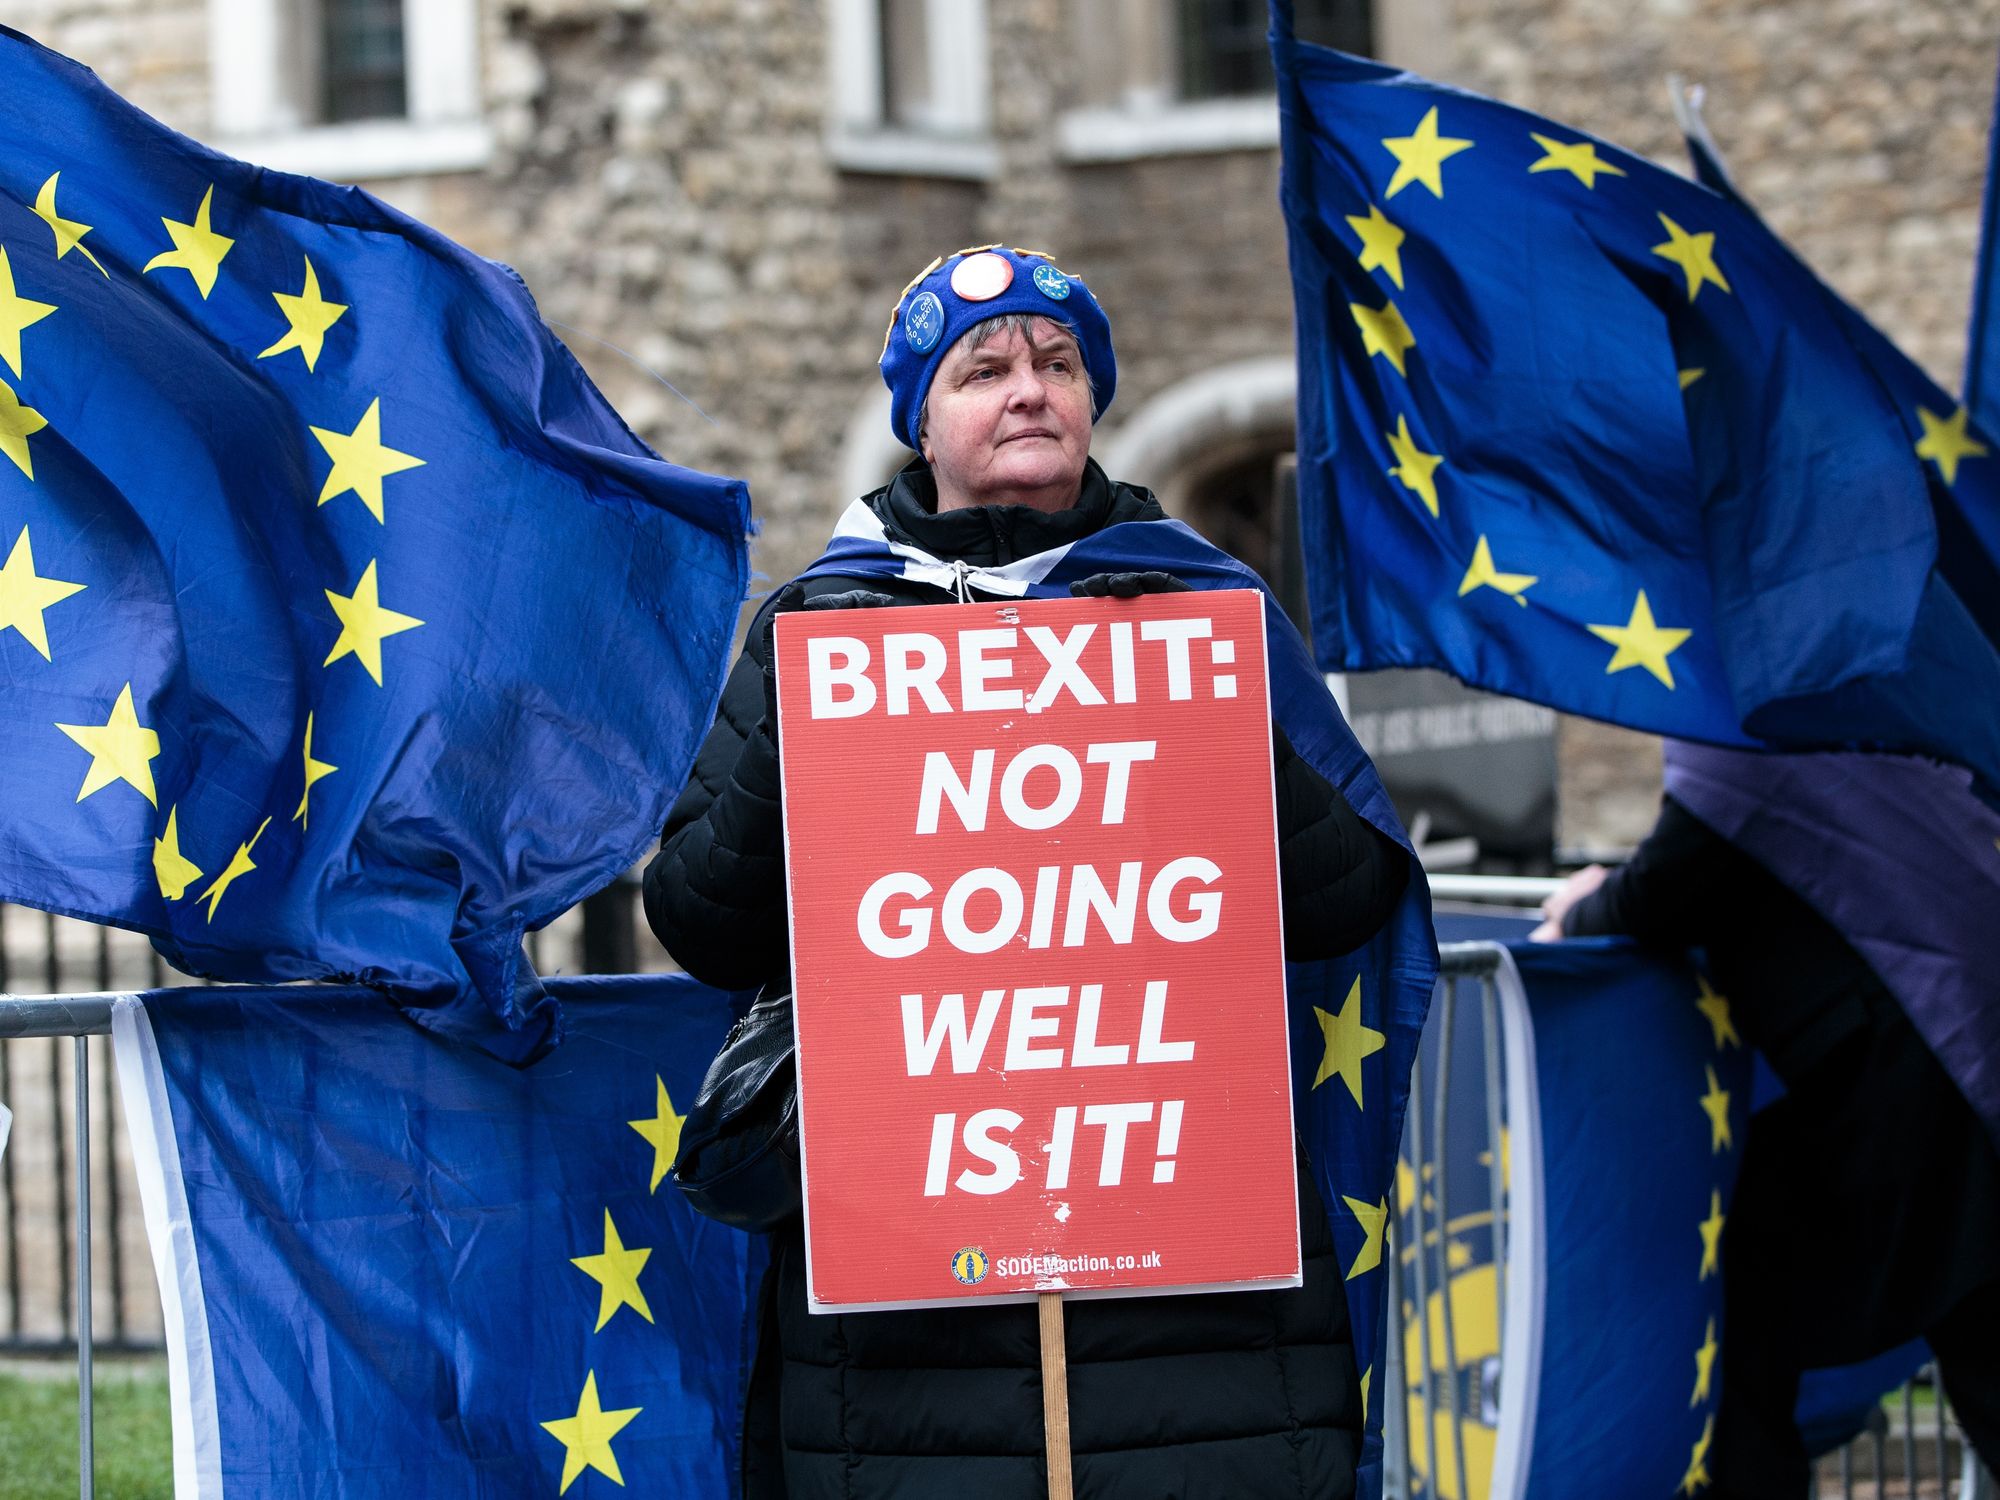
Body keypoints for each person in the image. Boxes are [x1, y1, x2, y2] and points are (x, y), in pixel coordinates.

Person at [645, 245, 1414, 1499]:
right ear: (923, 421)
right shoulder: (815, 627)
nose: (1027, 390)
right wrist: (804, 718)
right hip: (906, 1343)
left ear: (1092, 404)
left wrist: (1201, 708)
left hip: (1196, 1321)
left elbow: (1346, 898)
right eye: (982, 368)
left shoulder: (1201, 606)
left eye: (1057, 365)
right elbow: (698, 925)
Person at [1535, 741, 2000, 1499]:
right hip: (1938, 1068)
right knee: (1966, 1325)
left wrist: (1580, 909)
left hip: (1903, 1088)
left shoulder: (1742, 732)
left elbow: (1672, 880)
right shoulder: (1827, 715)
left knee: (1751, 1311)